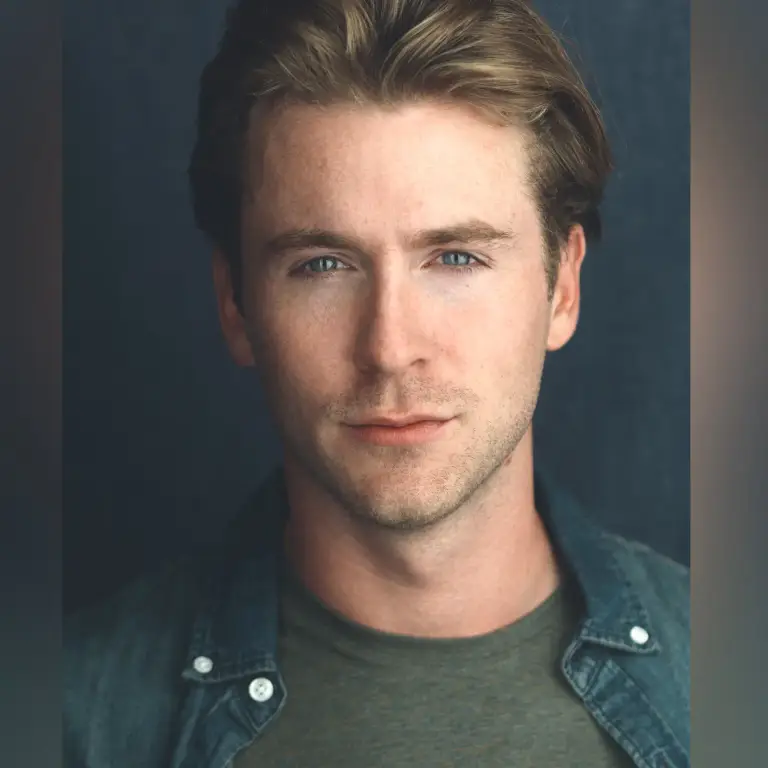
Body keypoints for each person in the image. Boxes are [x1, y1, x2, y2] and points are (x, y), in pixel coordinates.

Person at [64, 0, 690, 766]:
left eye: (456, 258)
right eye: (322, 265)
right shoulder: (72, 717)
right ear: (235, 302)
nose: (390, 348)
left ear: (562, 287)